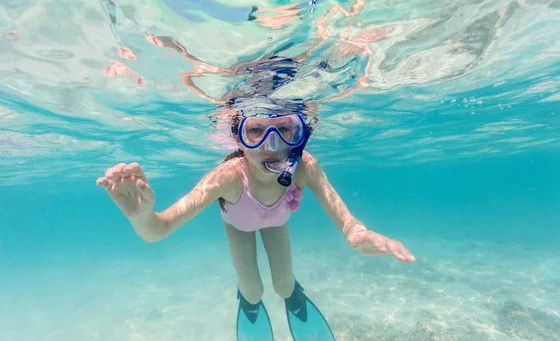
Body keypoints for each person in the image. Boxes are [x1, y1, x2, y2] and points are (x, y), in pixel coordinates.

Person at [97, 103, 415, 340]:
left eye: (283, 129)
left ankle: (293, 296)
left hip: (277, 222)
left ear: (299, 135)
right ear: (239, 139)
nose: (270, 143)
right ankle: (248, 304)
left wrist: (357, 236)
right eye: (255, 130)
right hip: (237, 225)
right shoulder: (228, 177)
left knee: (283, 285)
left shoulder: (305, 166)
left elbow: (348, 222)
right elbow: (158, 229)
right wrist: (141, 216)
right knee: (252, 291)